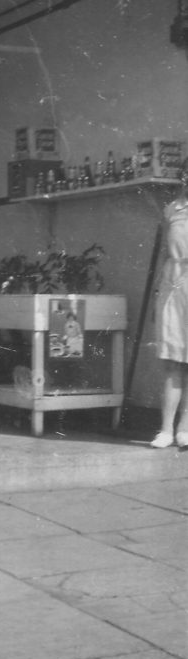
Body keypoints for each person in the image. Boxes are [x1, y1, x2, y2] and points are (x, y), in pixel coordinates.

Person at [150, 156, 188, 449]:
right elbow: (164, 252)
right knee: (172, 362)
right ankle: (165, 430)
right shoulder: (172, 210)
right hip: (173, 286)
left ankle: (185, 429)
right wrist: (157, 293)